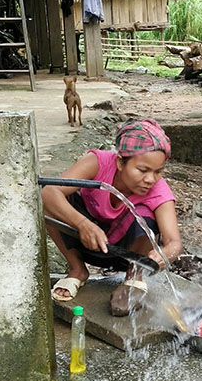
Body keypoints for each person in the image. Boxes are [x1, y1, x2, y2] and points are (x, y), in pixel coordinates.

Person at [42, 119, 182, 316]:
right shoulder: (98, 163)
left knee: (146, 213)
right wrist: (83, 224)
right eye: (142, 170)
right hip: (87, 242)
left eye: (158, 172)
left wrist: (164, 255)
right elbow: (49, 192)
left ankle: (134, 278)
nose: (150, 179)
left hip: (126, 255)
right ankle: (77, 269)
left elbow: (174, 242)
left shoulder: (158, 191)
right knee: (52, 204)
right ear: (120, 162)